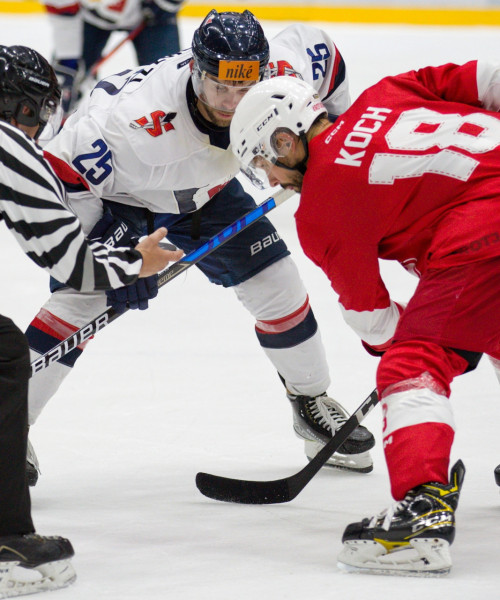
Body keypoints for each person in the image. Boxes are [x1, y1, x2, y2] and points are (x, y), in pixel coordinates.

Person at [25, 9, 375, 486]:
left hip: (209, 193)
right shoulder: (133, 122)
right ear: (195, 70)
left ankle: (309, 400)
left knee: (277, 283)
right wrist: (104, 251)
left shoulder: (283, 77)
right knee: (80, 302)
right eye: (218, 89)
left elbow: (325, 56)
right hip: (119, 201)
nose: (231, 103)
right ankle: (10, 429)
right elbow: (60, 169)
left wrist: (331, 141)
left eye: (243, 87)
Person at [228, 62, 500, 575]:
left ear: (286, 141)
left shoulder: (322, 209)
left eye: (265, 163)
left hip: (487, 225)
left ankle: (421, 516)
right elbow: (488, 77)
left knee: (411, 363)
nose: (269, 178)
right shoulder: (388, 92)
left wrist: (414, 340)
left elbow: (372, 319)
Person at [0, 44, 181, 597]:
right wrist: (136, 263)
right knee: (7, 353)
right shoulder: (8, 146)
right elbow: (71, 263)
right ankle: (6, 540)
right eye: (35, 113)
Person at [42, 0, 185, 118]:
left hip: (153, 17)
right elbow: (61, 9)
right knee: (62, 82)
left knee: (166, 85)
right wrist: (68, 59)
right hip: (91, 18)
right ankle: (53, 130)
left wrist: (167, 3)